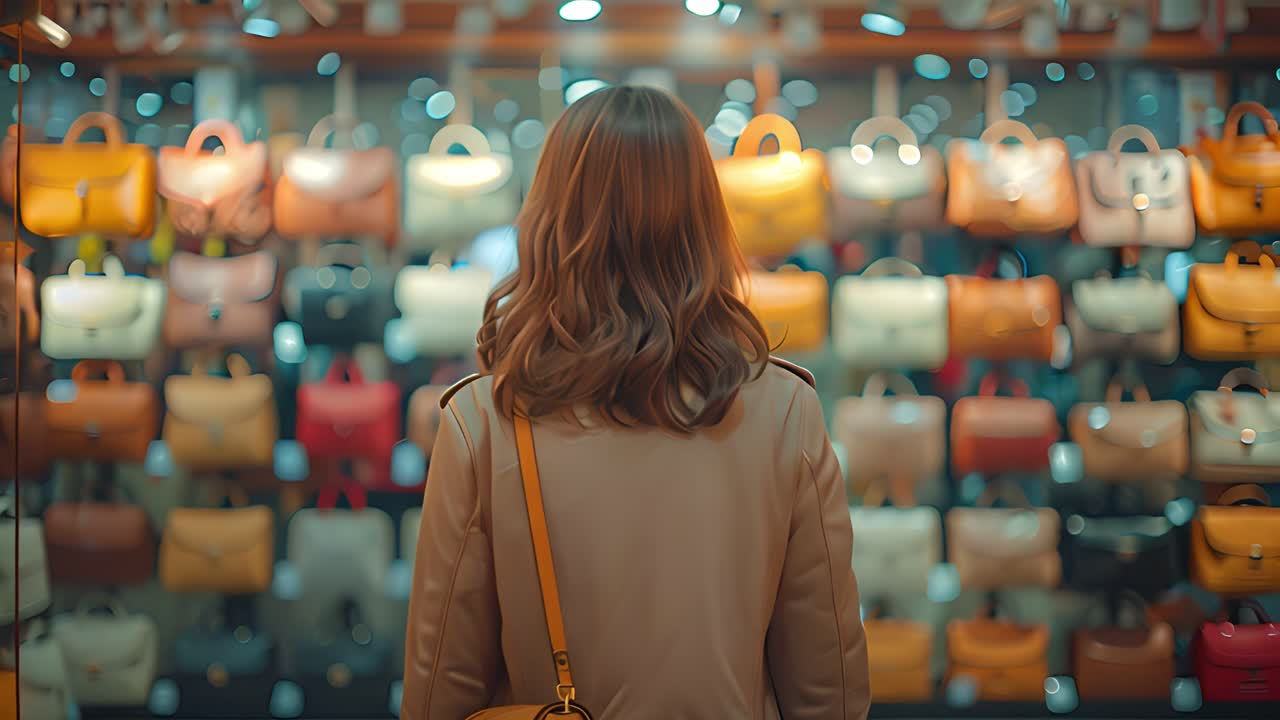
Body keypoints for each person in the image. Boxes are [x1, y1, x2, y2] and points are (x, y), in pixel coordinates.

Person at [402, 85, 870, 720]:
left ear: (547, 218)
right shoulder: (784, 410)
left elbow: (439, 693)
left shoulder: (483, 421)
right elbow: (830, 691)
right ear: (707, 218)